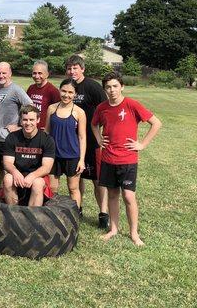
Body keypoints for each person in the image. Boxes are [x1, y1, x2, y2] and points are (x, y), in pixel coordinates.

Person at [92, 72, 161, 246]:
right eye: (108, 87)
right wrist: (99, 139)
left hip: (128, 159)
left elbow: (156, 123)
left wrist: (142, 144)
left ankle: (134, 233)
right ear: (104, 89)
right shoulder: (102, 108)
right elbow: (94, 124)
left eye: (115, 86)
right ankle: (114, 229)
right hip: (108, 158)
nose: (112, 90)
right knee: (113, 195)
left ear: (122, 86)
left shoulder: (131, 104)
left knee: (129, 197)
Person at [65, 54, 109, 228]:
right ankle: (78, 209)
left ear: (82, 69)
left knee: (97, 179)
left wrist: (103, 134)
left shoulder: (92, 87)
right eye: (69, 68)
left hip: (92, 142)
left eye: (75, 68)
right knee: (77, 177)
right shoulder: (68, 87)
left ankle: (103, 214)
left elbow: (106, 109)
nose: (72, 71)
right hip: (73, 142)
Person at [45, 78, 87, 209]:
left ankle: (75, 215)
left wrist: (81, 160)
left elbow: (82, 137)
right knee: (52, 188)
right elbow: (46, 132)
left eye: (70, 92)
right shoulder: (52, 108)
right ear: (59, 90)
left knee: (73, 188)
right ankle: (52, 214)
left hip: (72, 155)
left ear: (75, 94)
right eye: (63, 91)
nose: (66, 95)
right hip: (53, 155)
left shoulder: (79, 112)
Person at [2, 105, 55, 207]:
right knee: (8, 179)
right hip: (18, 174)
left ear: (38, 120)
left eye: (32, 120)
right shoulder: (12, 137)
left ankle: (33, 218)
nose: (28, 123)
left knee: (37, 183)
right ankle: (13, 213)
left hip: (38, 176)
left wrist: (32, 175)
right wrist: (15, 172)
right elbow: (7, 163)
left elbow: (47, 168)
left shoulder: (47, 140)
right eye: (25, 120)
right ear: (21, 121)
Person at [0, 62, 33, 183]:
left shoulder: (15, 89)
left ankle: (11, 194)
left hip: (9, 138)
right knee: (0, 167)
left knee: (9, 168)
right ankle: (2, 191)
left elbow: (30, 106)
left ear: (10, 73)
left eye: (4, 73)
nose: (1, 75)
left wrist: (19, 125)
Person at [26, 60, 60, 130]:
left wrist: (49, 127)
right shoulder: (31, 88)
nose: (37, 76)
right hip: (31, 128)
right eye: (34, 73)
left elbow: (58, 112)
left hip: (44, 130)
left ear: (47, 74)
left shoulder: (53, 90)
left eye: (40, 73)